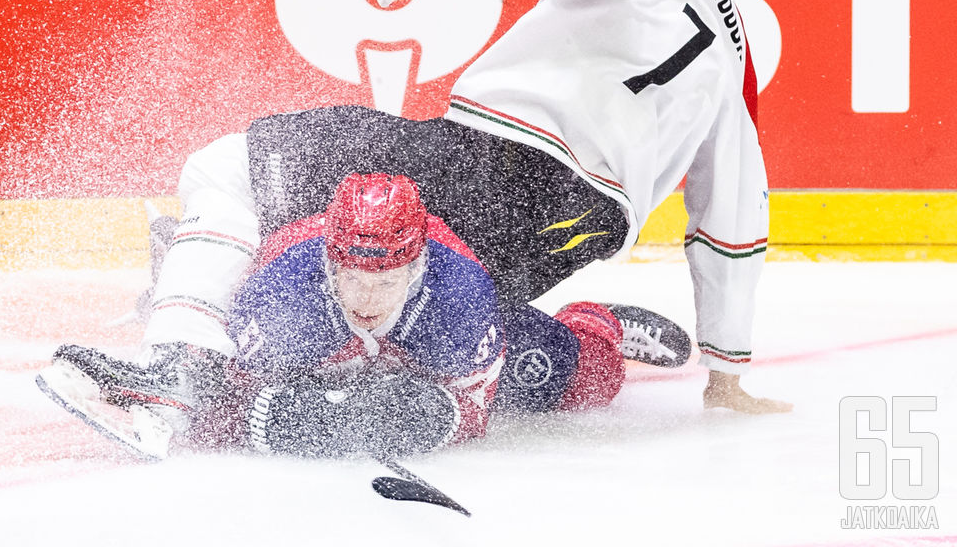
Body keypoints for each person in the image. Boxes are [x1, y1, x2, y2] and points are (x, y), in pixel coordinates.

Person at [40, 0, 788, 454]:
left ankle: (183, 366)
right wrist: (728, 371)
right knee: (435, 328)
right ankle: (596, 332)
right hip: (571, 238)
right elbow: (732, 220)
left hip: (493, 165)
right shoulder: (738, 54)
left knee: (229, 171)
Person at [39, 172, 685, 458]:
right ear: (330, 261)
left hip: (439, 341)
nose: (366, 294)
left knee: (570, 380)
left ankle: (594, 323)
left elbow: (474, 410)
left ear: (417, 265)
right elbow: (222, 393)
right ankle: (174, 264)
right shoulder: (285, 291)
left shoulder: (460, 298)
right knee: (224, 345)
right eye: (351, 274)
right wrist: (282, 421)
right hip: (297, 324)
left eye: (387, 277)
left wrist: (430, 417)